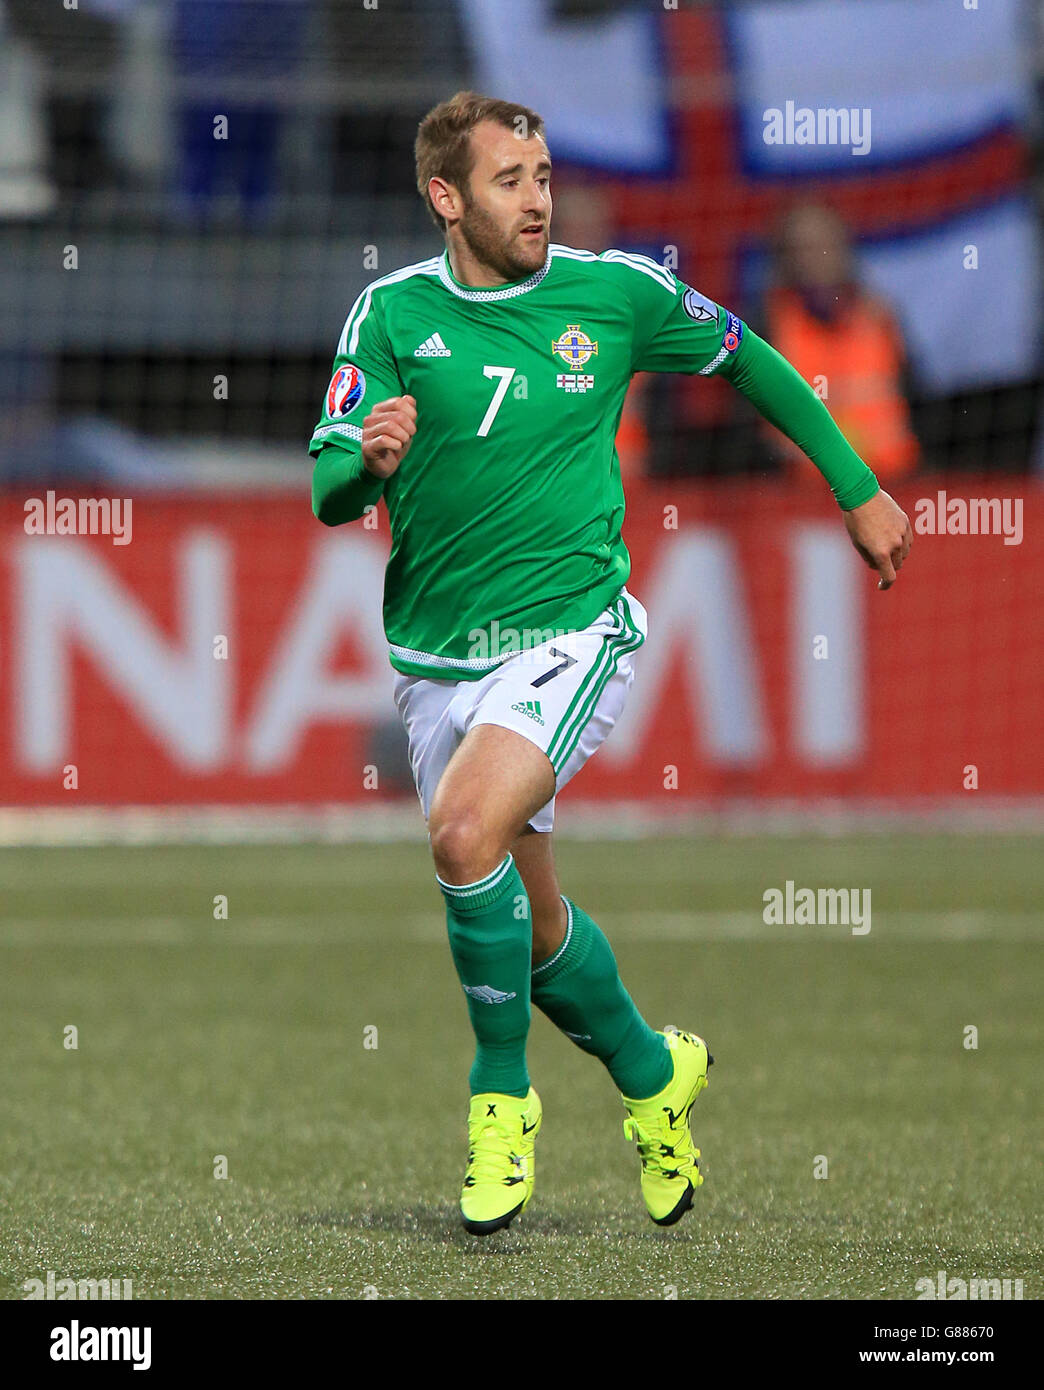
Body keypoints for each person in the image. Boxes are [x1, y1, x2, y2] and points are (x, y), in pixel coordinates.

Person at [309, 92, 912, 1236]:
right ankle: (650, 1072)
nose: (535, 198)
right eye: (507, 180)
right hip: (440, 657)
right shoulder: (387, 316)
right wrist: (366, 463)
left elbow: (752, 362)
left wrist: (855, 484)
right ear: (446, 198)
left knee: (459, 835)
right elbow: (332, 485)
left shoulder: (618, 293)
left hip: (573, 631)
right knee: (527, 925)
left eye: (541, 174)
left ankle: (500, 1104)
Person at [763, 202, 920, 482]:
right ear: (786, 258)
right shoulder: (769, 325)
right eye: (803, 248)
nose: (816, 258)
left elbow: (920, 408)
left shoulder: (880, 317)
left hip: (893, 489)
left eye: (824, 244)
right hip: (801, 499)